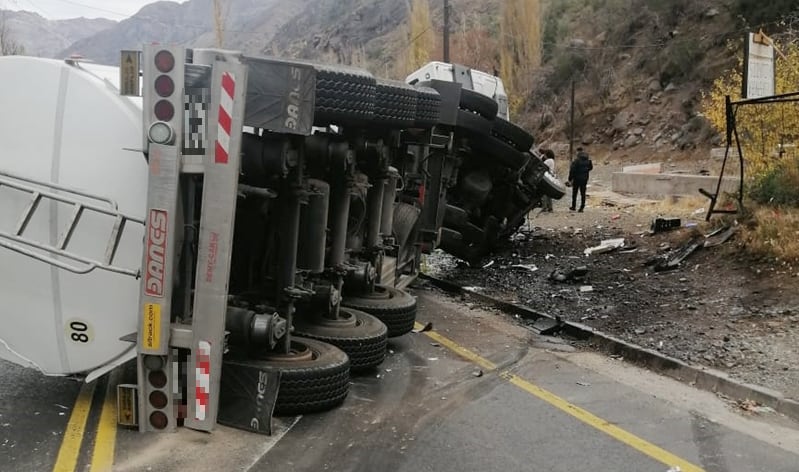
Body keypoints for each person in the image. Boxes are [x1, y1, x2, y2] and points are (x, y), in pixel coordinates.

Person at [568, 147, 593, 212]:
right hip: (585, 179)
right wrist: (585, 171)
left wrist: (570, 179)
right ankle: (582, 207)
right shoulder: (588, 160)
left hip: (577, 179)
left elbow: (572, 170)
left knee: (575, 193)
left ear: (578, 152)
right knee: (583, 193)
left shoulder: (576, 161)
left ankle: (573, 206)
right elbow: (590, 168)